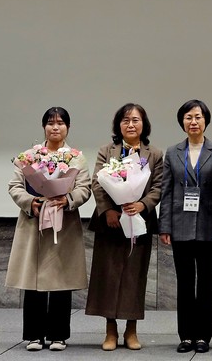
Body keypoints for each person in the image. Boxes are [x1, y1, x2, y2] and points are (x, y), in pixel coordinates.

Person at [5, 107, 91, 352]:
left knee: (62, 281)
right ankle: (33, 335)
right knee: (33, 282)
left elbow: (84, 187)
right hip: (34, 224)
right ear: (43, 127)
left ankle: (58, 335)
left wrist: (68, 199)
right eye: (51, 123)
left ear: (68, 128)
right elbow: (14, 186)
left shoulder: (76, 157)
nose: (56, 127)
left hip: (63, 225)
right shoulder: (29, 156)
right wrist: (30, 202)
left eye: (61, 123)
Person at [85, 103, 164, 351]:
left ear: (144, 124)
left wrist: (142, 204)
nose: (131, 124)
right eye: (126, 120)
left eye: (136, 120)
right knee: (107, 276)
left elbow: (159, 186)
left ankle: (131, 330)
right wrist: (108, 209)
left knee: (134, 276)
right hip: (109, 223)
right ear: (118, 125)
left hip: (139, 223)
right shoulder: (106, 151)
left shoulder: (154, 154)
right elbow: (97, 182)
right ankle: (110, 330)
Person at [159, 99, 212, 354]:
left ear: (206, 121)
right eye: (188, 117)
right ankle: (186, 335)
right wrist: (164, 226)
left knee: (207, 281)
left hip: (209, 226)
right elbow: (166, 191)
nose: (193, 122)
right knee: (185, 282)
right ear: (182, 122)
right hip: (179, 225)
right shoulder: (172, 152)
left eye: (198, 117)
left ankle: (203, 335)